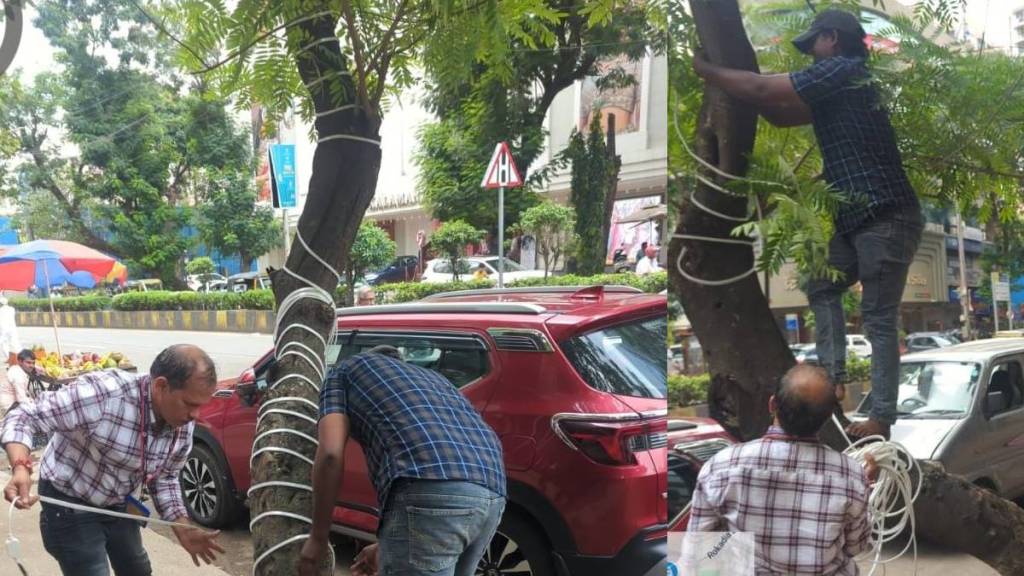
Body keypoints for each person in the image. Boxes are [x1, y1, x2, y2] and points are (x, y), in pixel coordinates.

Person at [692, 9, 922, 440]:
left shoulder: (845, 70)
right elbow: (777, 112)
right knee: (820, 284)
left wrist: (708, 70)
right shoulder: (838, 86)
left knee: (877, 318)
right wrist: (740, 86)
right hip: (856, 221)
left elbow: (763, 89)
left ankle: (882, 418)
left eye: (813, 44)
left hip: (887, 216)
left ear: (832, 39)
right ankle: (830, 382)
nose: (810, 56)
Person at [2, 344, 226, 575]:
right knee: (92, 569)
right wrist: (20, 467)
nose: (196, 416)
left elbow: (165, 478)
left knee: (137, 569)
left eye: (201, 406)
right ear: (161, 386)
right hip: (70, 499)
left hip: (117, 502)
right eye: (190, 404)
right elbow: (24, 417)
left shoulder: (182, 420)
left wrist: (182, 527)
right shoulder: (103, 395)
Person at [299, 346, 506, 576]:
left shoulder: (342, 373)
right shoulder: (434, 378)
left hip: (431, 487)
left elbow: (330, 454)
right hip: (493, 489)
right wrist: (388, 546)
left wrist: (317, 539)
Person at [688, 365, 877, 574]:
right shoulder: (850, 475)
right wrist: (864, 490)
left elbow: (701, 548)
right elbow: (855, 546)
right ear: (827, 416)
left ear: (772, 404)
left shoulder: (721, 466)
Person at [1, 349, 37, 417]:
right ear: (20, 361)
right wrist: (35, 408)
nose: (32, 366)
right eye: (28, 363)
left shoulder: (16, 368)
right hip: (10, 406)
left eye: (33, 363)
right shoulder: (18, 375)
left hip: (12, 401)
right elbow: (21, 398)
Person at [0, 296, 21, 362]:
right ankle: (18, 356)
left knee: (3, 343)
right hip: (12, 328)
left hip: (4, 329)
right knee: (14, 342)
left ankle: (9, 357)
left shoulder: (1, 310)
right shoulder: (12, 309)